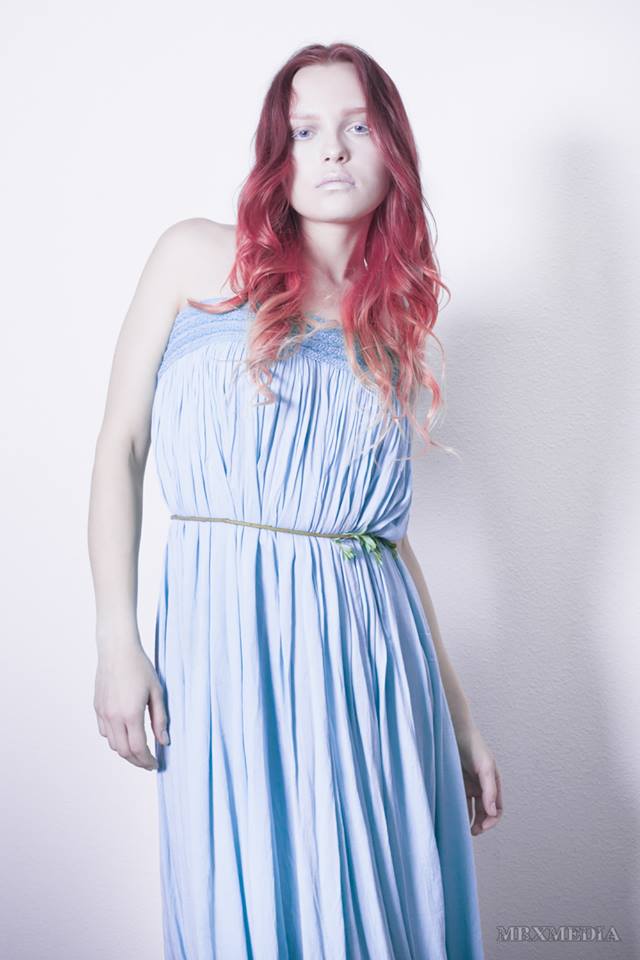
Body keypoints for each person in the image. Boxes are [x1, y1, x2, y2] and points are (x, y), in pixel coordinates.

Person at [88, 41, 502, 960]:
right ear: (279, 154)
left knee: (378, 910)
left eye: (358, 126)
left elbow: (384, 537)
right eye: (306, 130)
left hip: (371, 661)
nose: (333, 149)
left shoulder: (396, 330)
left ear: (393, 151)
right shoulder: (194, 256)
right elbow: (120, 447)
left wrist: (461, 717)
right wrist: (118, 641)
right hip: (226, 646)